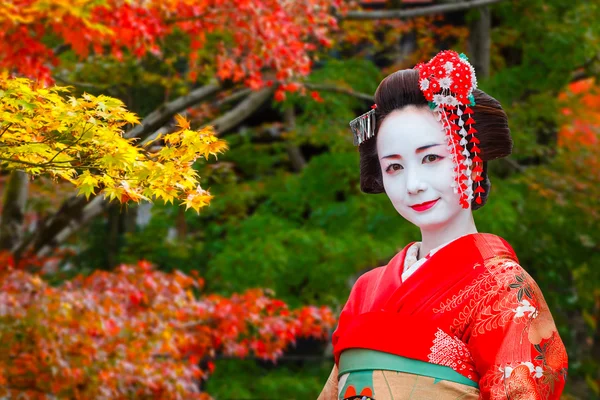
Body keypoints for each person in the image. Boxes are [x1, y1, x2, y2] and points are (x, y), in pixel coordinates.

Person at [318, 50, 568, 400]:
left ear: (473, 163)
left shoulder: (504, 289)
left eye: (431, 158)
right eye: (394, 167)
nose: (413, 184)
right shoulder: (366, 290)